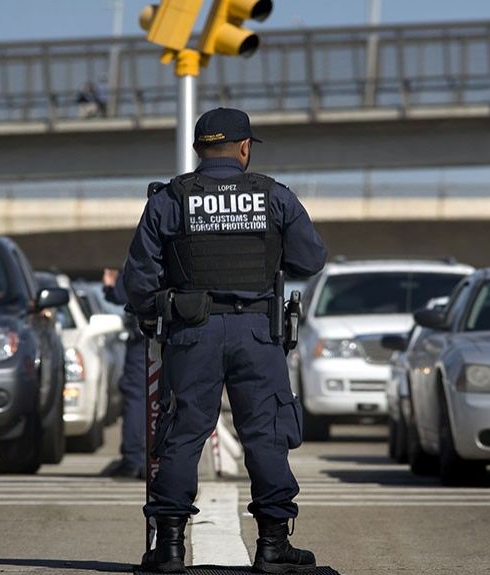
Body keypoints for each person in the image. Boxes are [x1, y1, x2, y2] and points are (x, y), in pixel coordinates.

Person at [122, 107, 327, 573]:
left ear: (198, 149)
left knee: (181, 434)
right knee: (267, 433)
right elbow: (310, 260)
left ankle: (169, 549)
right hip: (257, 332)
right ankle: (274, 545)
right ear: (245, 148)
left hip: (192, 332)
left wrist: (155, 313)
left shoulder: (171, 199)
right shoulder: (274, 196)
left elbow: (139, 279)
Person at [101, 267, 146, 479]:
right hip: (177, 335)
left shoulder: (145, 250)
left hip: (144, 338)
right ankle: (161, 461)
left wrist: (110, 286)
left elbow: (121, 294)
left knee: (136, 397)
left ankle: (134, 460)